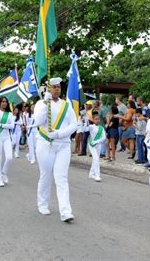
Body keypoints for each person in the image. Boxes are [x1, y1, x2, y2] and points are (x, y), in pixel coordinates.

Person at [30, 77, 77, 223]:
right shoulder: (41, 104)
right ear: (48, 89)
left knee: (61, 177)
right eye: (54, 87)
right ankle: (42, 204)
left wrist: (58, 133)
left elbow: (74, 124)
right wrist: (45, 103)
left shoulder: (66, 105)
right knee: (46, 174)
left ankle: (66, 211)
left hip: (63, 144)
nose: (57, 89)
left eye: (59, 87)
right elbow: (38, 121)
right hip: (45, 143)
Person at [0, 96, 15, 187]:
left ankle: (3, 172)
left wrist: (1, 124)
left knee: (9, 157)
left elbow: (12, 126)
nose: (4, 103)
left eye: (5, 101)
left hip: (6, 138)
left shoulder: (9, 114)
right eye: (2, 102)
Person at [88, 111, 106, 182]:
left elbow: (104, 137)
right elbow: (85, 129)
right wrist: (84, 122)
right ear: (93, 120)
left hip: (98, 145)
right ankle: (97, 175)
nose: (97, 120)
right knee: (96, 159)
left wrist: (97, 141)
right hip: (92, 145)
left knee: (95, 159)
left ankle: (91, 173)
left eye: (98, 119)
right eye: (96, 119)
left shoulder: (101, 128)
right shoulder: (91, 127)